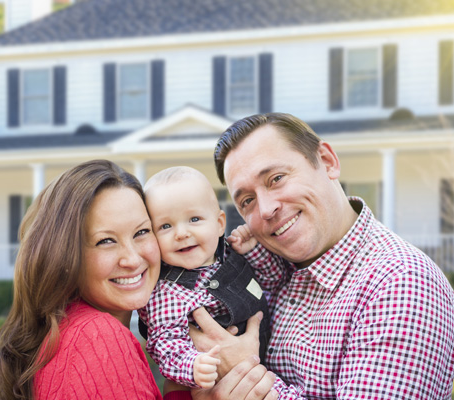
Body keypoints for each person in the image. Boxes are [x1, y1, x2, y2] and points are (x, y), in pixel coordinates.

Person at [194, 112, 454, 399]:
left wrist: (243, 370)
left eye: (276, 178)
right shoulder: (267, 272)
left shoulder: (401, 282)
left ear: (328, 162)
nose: (266, 209)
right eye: (247, 200)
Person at [0, 159, 277, 400]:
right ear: (65, 255)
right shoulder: (97, 338)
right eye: (105, 241)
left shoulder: (74, 330)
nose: (132, 259)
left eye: (141, 232)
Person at [137, 166, 270, 389]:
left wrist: (253, 251)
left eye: (194, 219)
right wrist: (192, 365)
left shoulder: (231, 253)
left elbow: (272, 281)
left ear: (219, 224)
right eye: (165, 226)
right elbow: (165, 344)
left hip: (271, 362)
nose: (181, 233)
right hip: (226, 383)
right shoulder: (167, 291)